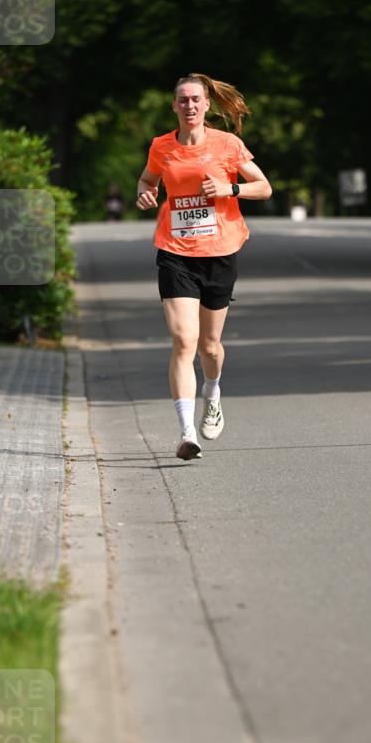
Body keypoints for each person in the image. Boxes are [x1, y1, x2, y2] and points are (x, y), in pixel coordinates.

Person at [135, 73, 272, 461]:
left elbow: (264, 186)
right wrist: (145, 192)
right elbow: (148, 178)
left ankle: (212, 392)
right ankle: (186, 431)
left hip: (219, 251)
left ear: (207, 104)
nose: (189, 106)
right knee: (184, 341)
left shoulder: (227, 144)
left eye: (196, 99)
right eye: (183, 100)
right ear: (174, 105)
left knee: (209, 347)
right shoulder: (162, 147)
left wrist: (231, 189)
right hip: (175, 251)